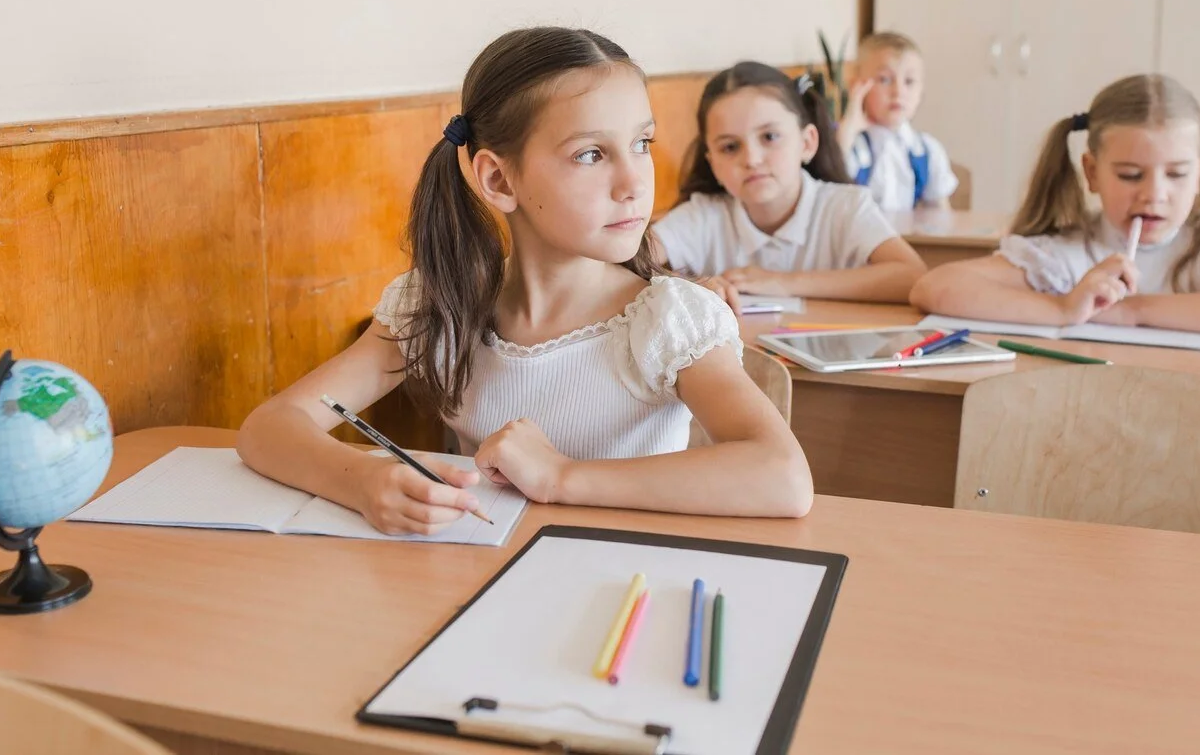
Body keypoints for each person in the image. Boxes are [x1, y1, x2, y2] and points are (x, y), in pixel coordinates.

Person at [237, 28, 813, 536]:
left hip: (619, 591)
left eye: (641, 144)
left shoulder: (668, 320)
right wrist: (364, 481)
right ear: (498, 179)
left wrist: (562, 477)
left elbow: (782, 478)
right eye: (591, 154)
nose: (633, 181)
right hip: (477, 582)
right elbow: (270, 428)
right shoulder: (438, 305)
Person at [909, 74, 1200, 341]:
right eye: (1130, 175)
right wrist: (1062, 308)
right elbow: (934, 288)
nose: (1154, 194)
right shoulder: (1065, 255)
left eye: (1176, 174)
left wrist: (1134, 312)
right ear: (1091, 172)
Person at [652, 60, 926, 304]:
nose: (752, 159)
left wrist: (782, 282)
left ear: (807, 143)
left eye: (769, 137)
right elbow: (629, 260)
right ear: (713, 163)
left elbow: (913, 276)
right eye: (730, 147)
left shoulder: (846, 207)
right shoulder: (703, 215)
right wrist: (688, 284)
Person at [834, 32, 958, 211]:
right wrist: (849, 126)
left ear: (921, 92)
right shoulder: (849, 143)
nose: (898, 91)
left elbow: (940, 216)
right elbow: (833, 179)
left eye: (909, 81)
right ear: (857, 86)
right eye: (884, 79)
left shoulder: (927, 151)